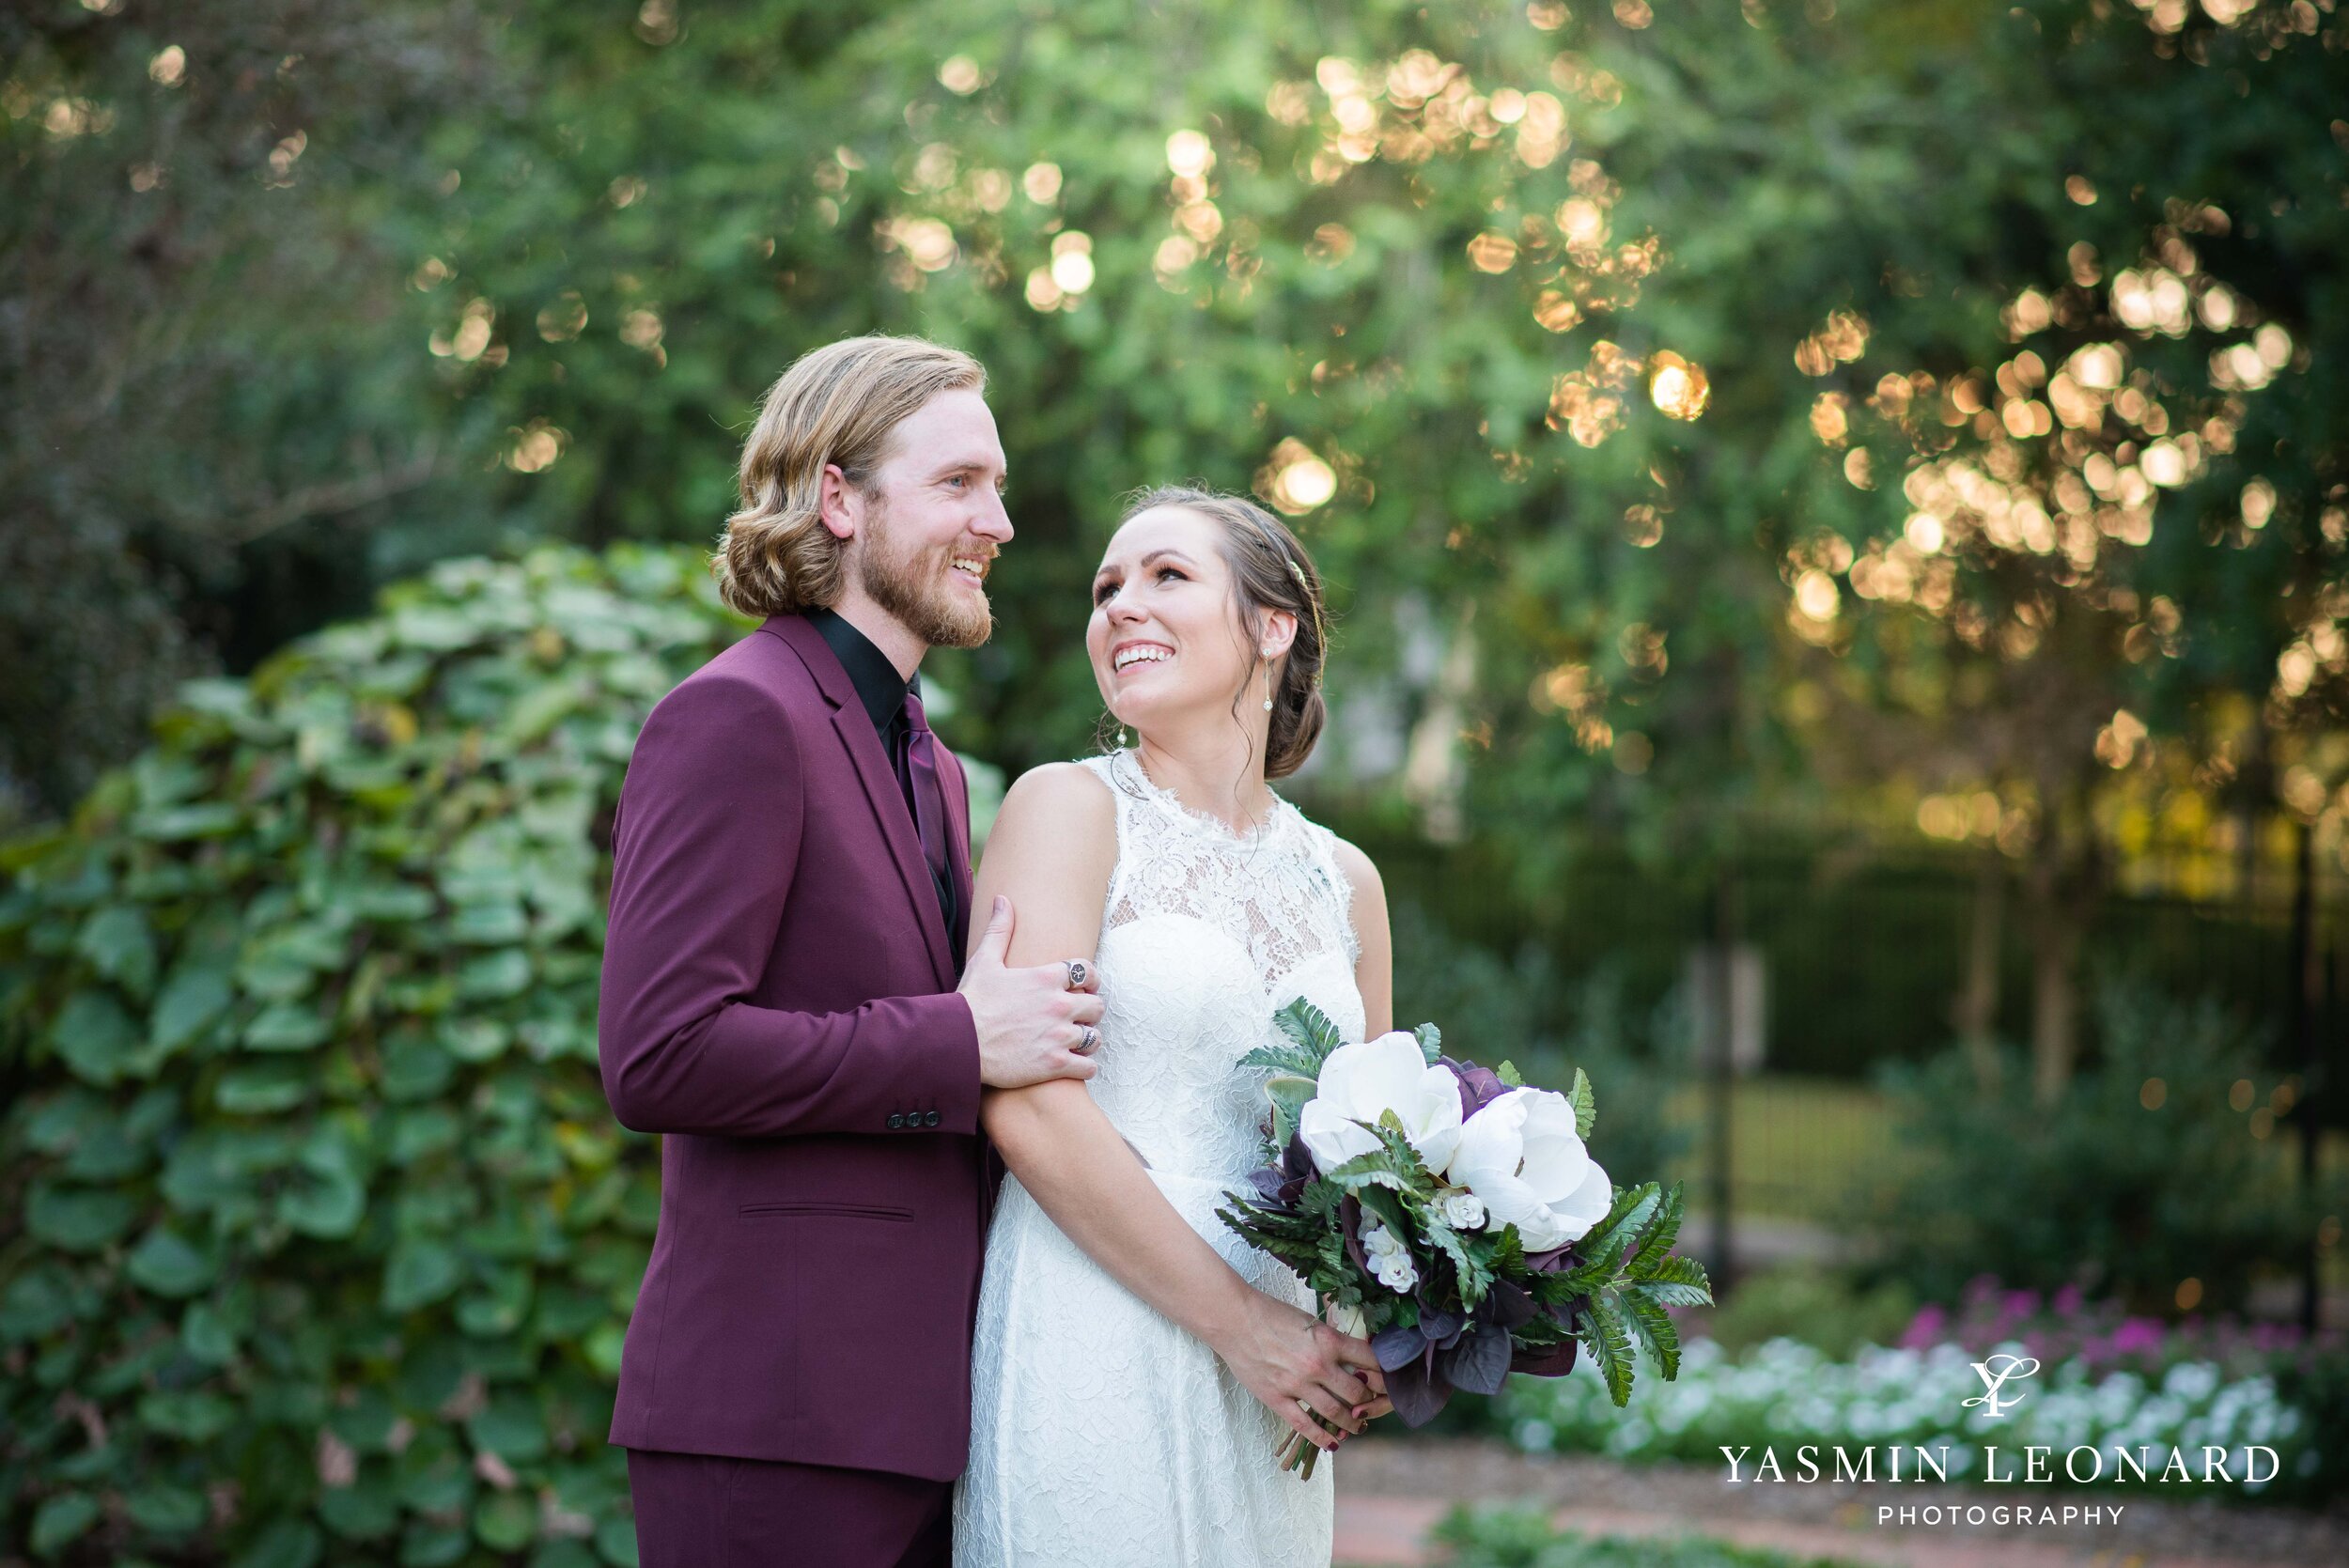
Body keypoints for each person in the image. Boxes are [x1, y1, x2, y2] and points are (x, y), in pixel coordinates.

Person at [596, 334, 1104, 1568]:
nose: (1000, 520)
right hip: (771, 1422)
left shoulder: (925, 758)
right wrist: (959, 1040)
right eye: (958, 484)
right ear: (840, 498)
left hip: (919, 1418)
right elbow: (657, 1056)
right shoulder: (735, 714)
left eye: (997, 485)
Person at [953, 486, 1395, 1566]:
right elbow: (1025, 1105)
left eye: (1166, 576)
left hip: (1282, 1370)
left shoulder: (1346, 879)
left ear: (1272, 626)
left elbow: (1379, 1150)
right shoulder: (1065, 807)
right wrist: (1244, 1328)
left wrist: (1382, 1312)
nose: (1121, 607)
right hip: (1096, 1316)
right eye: (1107, 588)